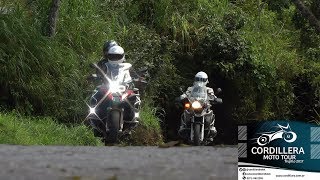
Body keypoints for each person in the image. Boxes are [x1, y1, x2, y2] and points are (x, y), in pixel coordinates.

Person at [178, 71, 218, 140]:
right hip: (193, 105)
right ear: (195, 79)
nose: (200, 81)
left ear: (206, 80)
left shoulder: (209, 89)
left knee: (211, 112)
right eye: (198, 79)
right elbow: (186, 94)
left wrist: (215, 99)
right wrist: (181, 96)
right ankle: (183, 126)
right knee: (185, 111)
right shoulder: (190, 88)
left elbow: (212, 96)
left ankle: (211, 127)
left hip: (204, 106)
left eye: (202, 79)